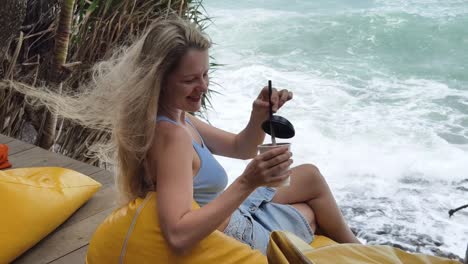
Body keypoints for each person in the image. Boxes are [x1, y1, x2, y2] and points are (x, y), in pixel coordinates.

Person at [32, 15, 359, 255]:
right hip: (234, 232)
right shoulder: (172, 138)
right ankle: (362, 254)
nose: (202, 86)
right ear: (158, 78)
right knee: (310, 215)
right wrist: (248, 182)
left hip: (228, 210)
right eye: (190, 79)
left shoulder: (177, 118)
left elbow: (239, 147)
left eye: (205, 74)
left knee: (310, 177)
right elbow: (177, 234)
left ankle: (360, 251)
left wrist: (258, 117)